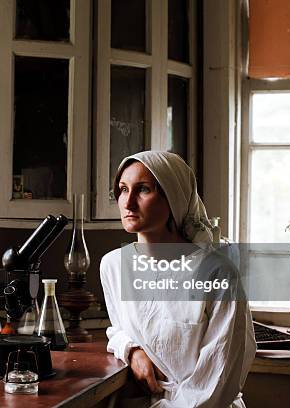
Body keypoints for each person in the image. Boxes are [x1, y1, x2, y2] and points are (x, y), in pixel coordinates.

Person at [100, 151, 256, 408]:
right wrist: (132, 350)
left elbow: (219, 379)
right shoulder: (113, 265)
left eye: (143, 190)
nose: (127, 203)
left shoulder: (217, 272)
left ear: (174, 197)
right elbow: (118, 329)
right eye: (123, 189)